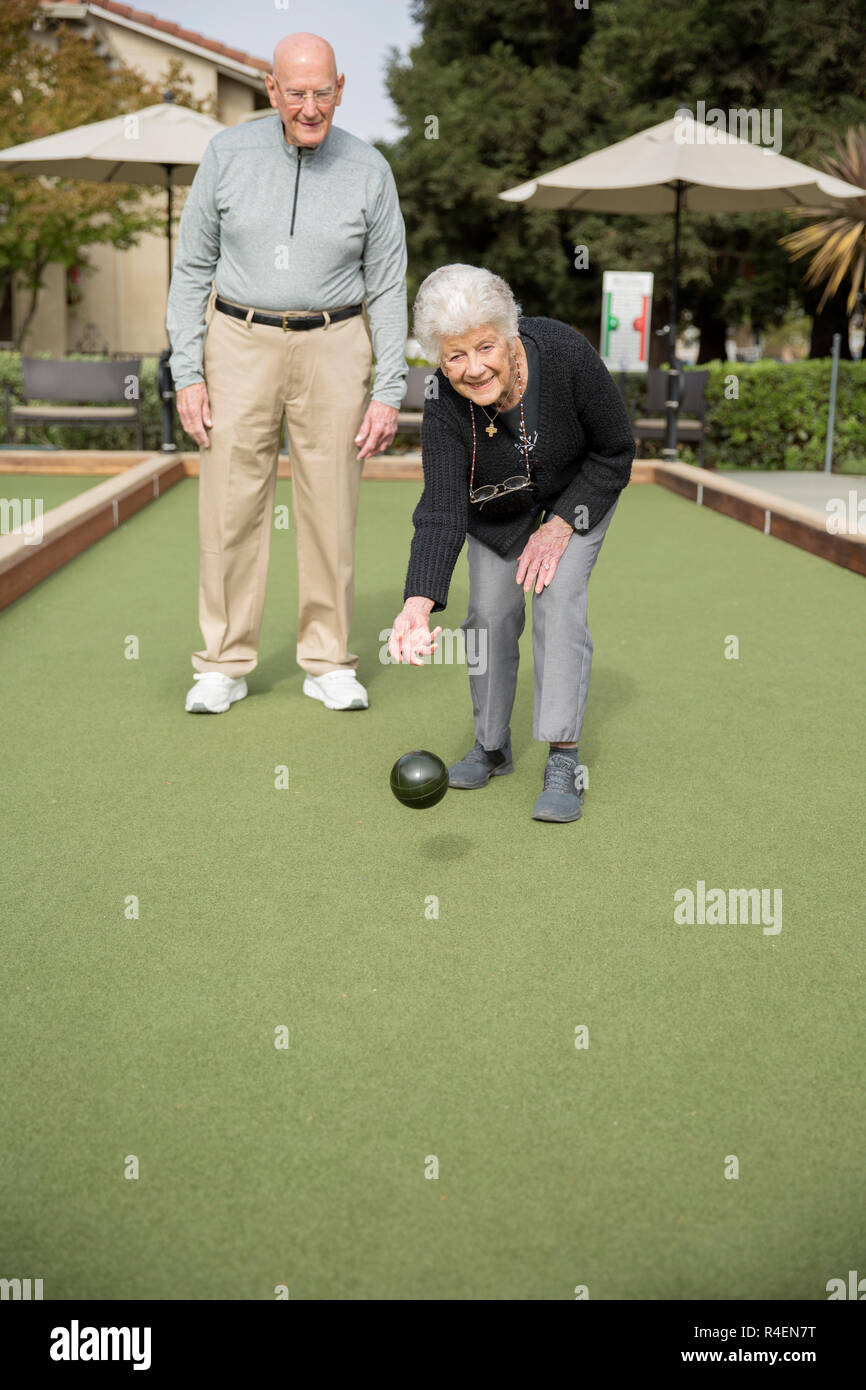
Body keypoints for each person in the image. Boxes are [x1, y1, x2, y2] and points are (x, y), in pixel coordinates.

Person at [167, 32, 408, 714]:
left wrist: (388, 389)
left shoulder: (369, 169)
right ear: (271, 89)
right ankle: (222, 662)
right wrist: (189, 370)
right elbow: (191, 270)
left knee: (330, 506)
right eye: (295, 92)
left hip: (335, 344)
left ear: (340, 89)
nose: (309, 107)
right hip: (239, 340)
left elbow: (389, 286)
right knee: (230, 505)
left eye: (321, 92)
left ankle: (328, 658)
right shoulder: (226, 154)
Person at [388, 264, 634, 823]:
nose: (474, 369)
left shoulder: (565, 354)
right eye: (455, 356)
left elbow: (615, 449)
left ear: (510, 335)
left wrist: (564, 521)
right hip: (499, 508)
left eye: (485, 347)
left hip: (577, 491)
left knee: (558, 594)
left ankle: (563, 756)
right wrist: (416, 604)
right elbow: (442, 508)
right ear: (437, 359)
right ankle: (492, 745)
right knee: (490, 610)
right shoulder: (443, 402)